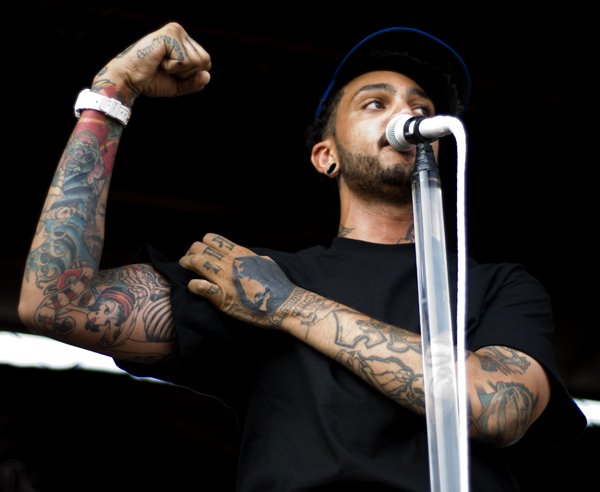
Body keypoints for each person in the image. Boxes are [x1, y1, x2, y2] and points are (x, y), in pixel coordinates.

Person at [18, 22, 586, 491]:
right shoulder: (245, 279)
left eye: (421, 106)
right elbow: (56, 302)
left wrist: (288, 306)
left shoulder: (496, 286)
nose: (405, 114)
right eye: (375, 102)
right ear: (325, 156)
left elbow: (496, 409)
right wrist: (112, 93)